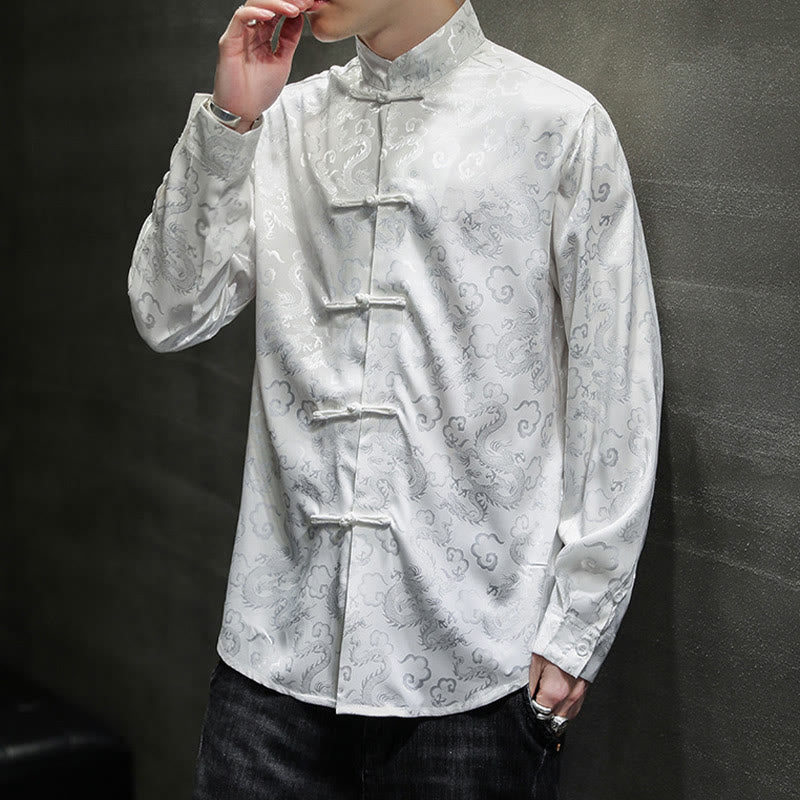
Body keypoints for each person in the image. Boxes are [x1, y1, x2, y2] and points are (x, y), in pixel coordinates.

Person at [128, 0, 663, 796]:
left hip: (472, 677)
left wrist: (577, 627)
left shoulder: (556, 124)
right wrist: (232, 121)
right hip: (273, 668)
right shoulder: (283, 125)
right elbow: (169, 311)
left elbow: (614, 383)